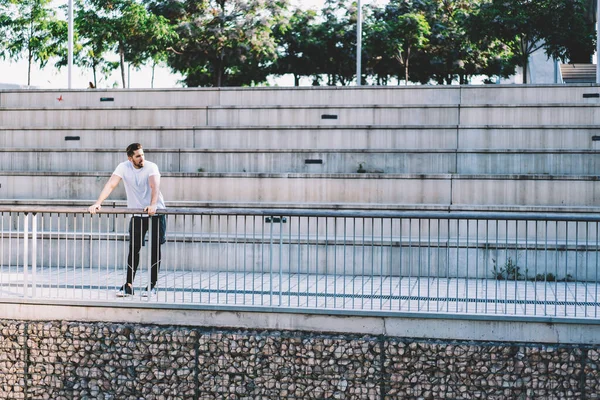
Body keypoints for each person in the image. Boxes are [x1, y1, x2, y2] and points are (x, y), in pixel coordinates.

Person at [88, 143, 166, 297]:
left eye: (142, 154)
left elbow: (154, 185)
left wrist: (152, 204)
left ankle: (152, 285)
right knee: (134, 249)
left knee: (155, 249)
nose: (141, 158)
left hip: (156, 213)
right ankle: (128, 285)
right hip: (137, 214)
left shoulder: (151, 167)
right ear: (130, 158)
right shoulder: (123, 167)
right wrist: (98, 203)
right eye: (138, 156)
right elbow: (111, 184)